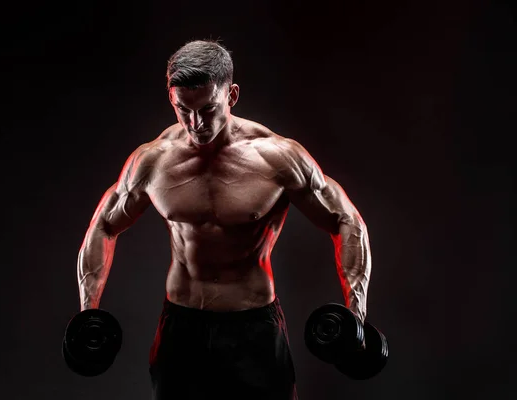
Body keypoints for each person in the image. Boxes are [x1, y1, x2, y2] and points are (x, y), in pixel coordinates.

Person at [76, 39, 372, 400]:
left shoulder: (277, 157)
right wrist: (88, 313)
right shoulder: (153, 161)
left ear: (231, 96)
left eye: (207, 109)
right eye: (182, 109)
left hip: (254, 328)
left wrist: (355, 311)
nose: (195, 123)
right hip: (181, 328)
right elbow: (104, 224)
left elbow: (346, 219)